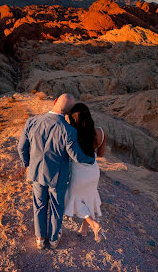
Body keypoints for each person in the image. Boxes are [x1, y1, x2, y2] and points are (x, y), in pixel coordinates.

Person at [18, 93, 95, 250]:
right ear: (68, 112)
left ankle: (40, 239)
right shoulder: (69, 131)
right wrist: (90, 159)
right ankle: (53, 239)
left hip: (36, 173)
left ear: (54, 102)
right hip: (57, 176)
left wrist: (28, 164)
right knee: (56, 206)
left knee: (39, 205)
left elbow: (21, 148)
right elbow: (76, 156)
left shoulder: (32, 122)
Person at [64, 103, 107, 242]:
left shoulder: (72, 132)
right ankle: (84, 230)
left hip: (79, 171)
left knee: (73, 197)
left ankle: (93, 224)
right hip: (94, 171)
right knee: (89, 198)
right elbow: (100, 154)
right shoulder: (100, 132)